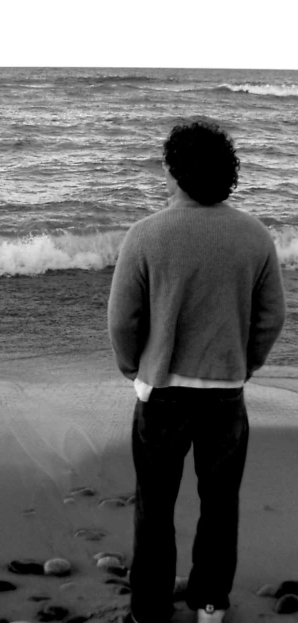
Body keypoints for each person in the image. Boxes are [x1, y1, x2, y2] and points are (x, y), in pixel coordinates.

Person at [107, 120, 286, 623]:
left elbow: (123, 320)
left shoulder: (145, 235)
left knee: (154, 508)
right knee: (220, 504)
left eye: (166, 166)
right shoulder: (254, 236)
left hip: (161, 392)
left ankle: (150, 608)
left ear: (175, 171)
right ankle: (210, 604)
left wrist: (133, 368)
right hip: (225, 395)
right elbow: (272, 316)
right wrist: (242, 364)